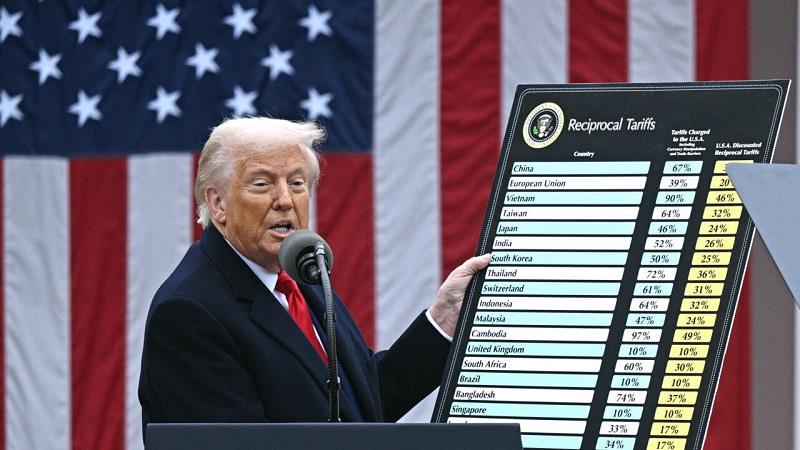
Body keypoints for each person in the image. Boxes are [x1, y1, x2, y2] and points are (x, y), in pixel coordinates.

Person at [138, 117, 491, 429]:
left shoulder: (300, 274)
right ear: (218, 203)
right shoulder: (188, 312)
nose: (285, 200)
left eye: (297, 183)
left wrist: (442, 320)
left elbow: (359, 408)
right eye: (262, 184)